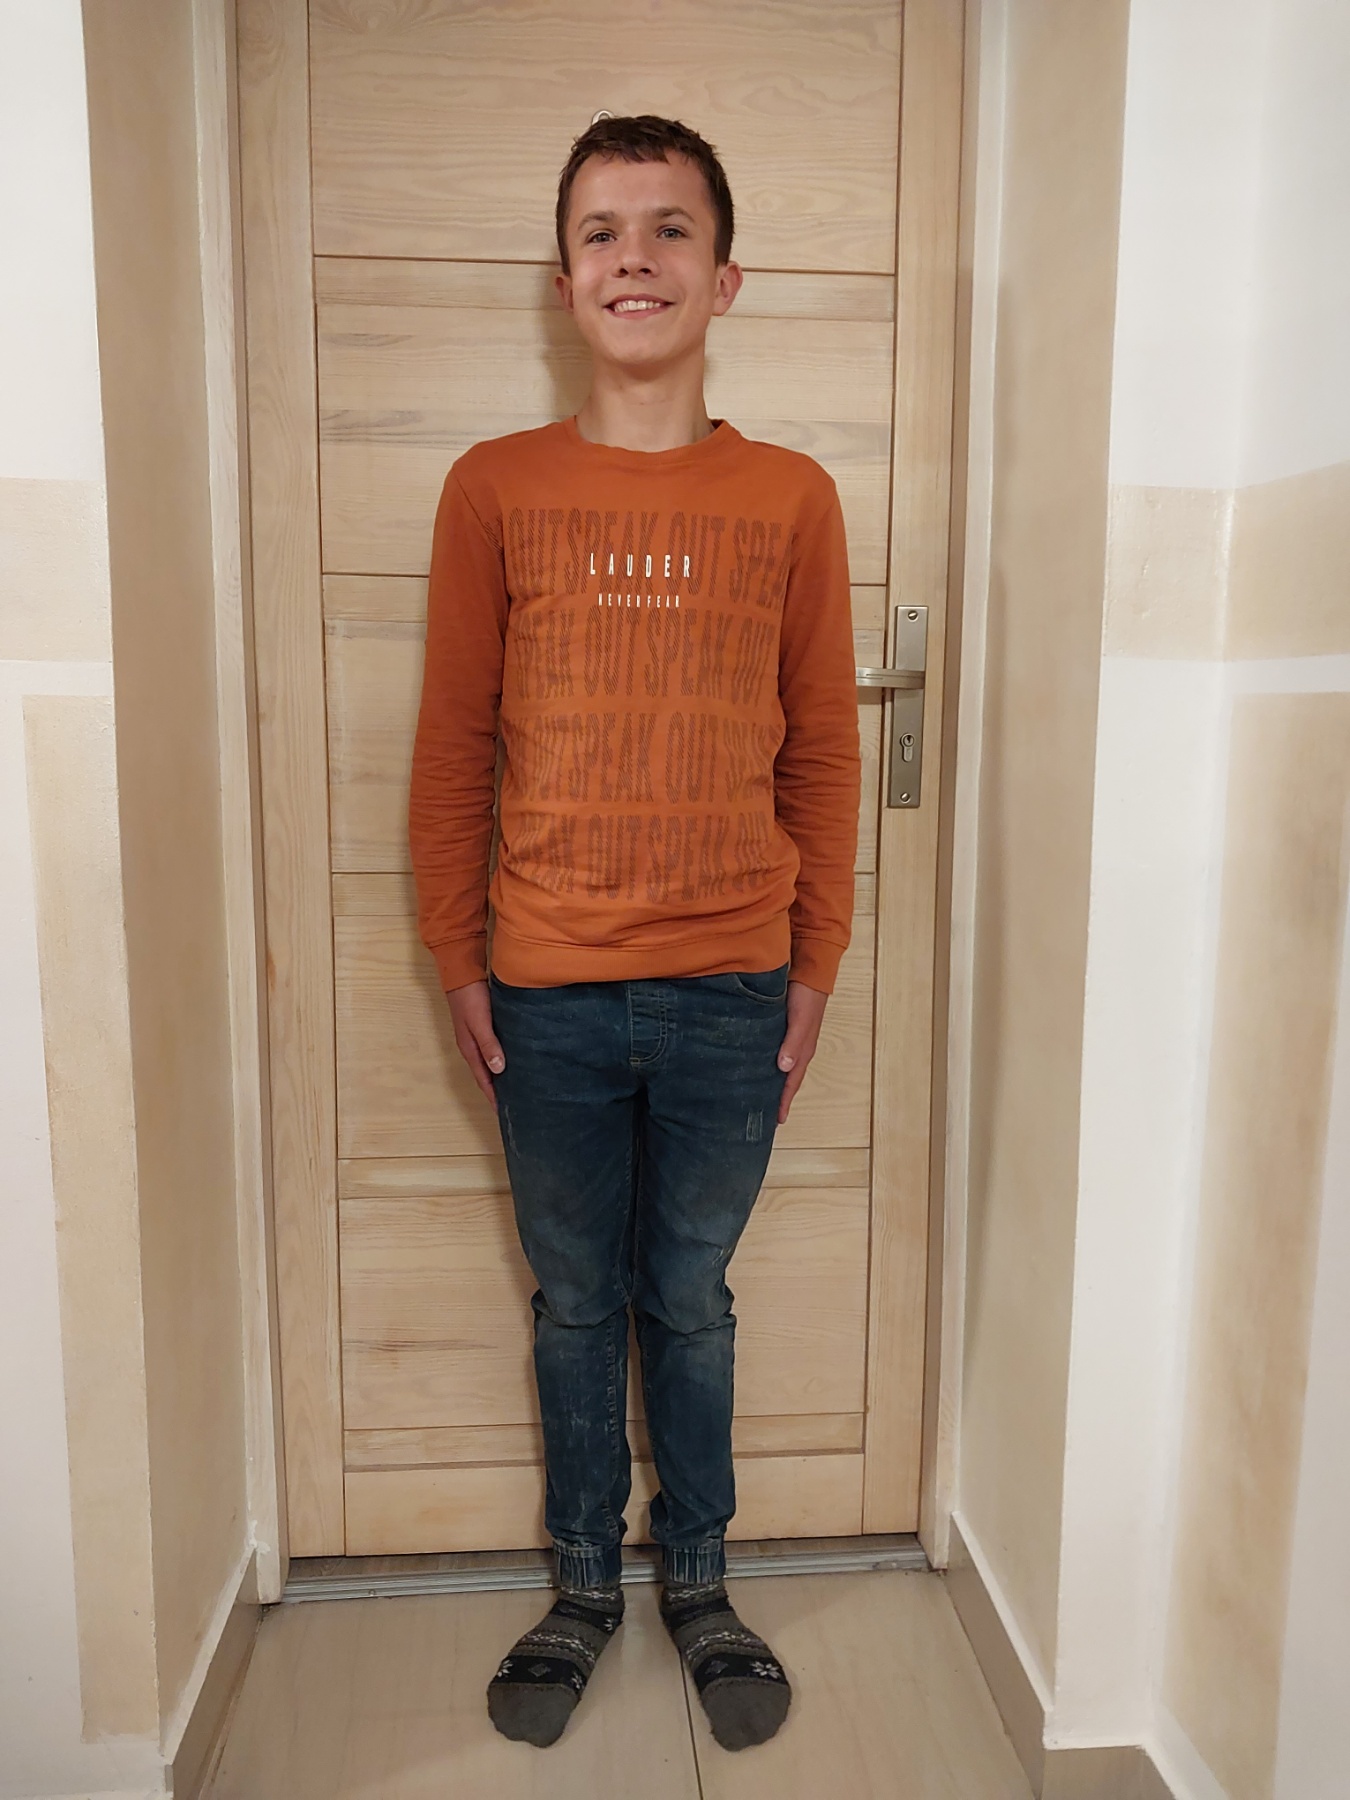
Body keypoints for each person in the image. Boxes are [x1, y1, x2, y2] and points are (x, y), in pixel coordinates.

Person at [408, 113, 860, 1753]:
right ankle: (583, 1583)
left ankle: (702, 1581)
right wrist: (458, 955)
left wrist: (815, 964)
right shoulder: (494, 488)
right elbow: (455, 743)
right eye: (602, 231)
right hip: (549, 993)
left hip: (736, 984)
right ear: (563, 280)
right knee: (575, 1300)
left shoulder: (791, 496)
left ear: (723, 278)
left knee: (690, 1296)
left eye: (670, 229)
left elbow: (824, 749)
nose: (635, 258)